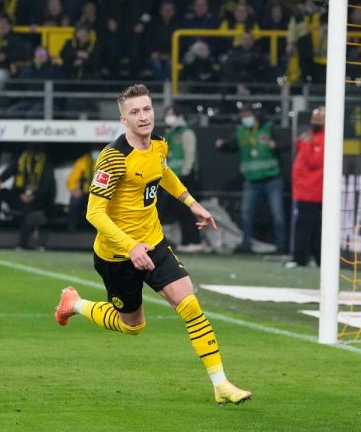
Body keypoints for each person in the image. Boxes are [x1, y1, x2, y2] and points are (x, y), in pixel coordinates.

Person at [54, 84, 251, 405]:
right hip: (117, 256)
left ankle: (221, 384)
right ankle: (74, 303)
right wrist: (130, 246)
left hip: (154, 244)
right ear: (123, 120)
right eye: (135, 112)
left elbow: (163, 173)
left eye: (147, 109)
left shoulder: (159, 145)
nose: (143, 117)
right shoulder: (113, 158)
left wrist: (192, 203)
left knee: (190, 304)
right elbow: (94, 212)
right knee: (133, 326)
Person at [215, 105, 287, 254]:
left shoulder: (268, 127)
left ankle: (282, 246)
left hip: (272, 178)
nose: (245, 119)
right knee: (246, 214)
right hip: (252, 180)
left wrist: (275, 145)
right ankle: (246, 244)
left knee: (278, 214)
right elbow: (232, 146)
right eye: (243, 116)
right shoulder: (241, 131)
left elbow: (284, 144)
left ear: (255, 115)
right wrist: (223, 146)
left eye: (247, 115)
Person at [0, 145, 56, 249]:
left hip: (37, 199)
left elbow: (47, 186)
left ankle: (22, 243)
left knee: (27, 212)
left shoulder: (46, 162)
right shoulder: (22, 158)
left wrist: (33, 196)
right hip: (19, 196)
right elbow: (9, 170)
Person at [159, 105, 204, 252]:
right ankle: (186, 242)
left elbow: (190, 155)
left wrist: (185, 173)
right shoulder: (169, 134)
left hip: (184, 177)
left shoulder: (186, 133)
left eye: (171, 113)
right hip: (171, 178)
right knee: (178, 211)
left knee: (186, 211)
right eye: (166, 114)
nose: (168, 117)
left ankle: (195, 241)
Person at [285, 106, 324, 269]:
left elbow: (314, 162)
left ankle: (301, 257)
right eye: (314, 119)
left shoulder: (324, 139)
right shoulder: (312, 137)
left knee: (306, 226)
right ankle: (312, 257)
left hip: (313, 191)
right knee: (310, 226)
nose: (315, 123)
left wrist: (304, 144)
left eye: (319, 120)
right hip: (304, 190)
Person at [65, 144, 100, 231]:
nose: (96, 151)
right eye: (94, 148)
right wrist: (74, 189)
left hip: (101, 194)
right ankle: (71, 229)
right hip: (85, 193)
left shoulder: (107, 161)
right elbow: (72, 179)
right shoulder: (83, 161)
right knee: (75, 201)